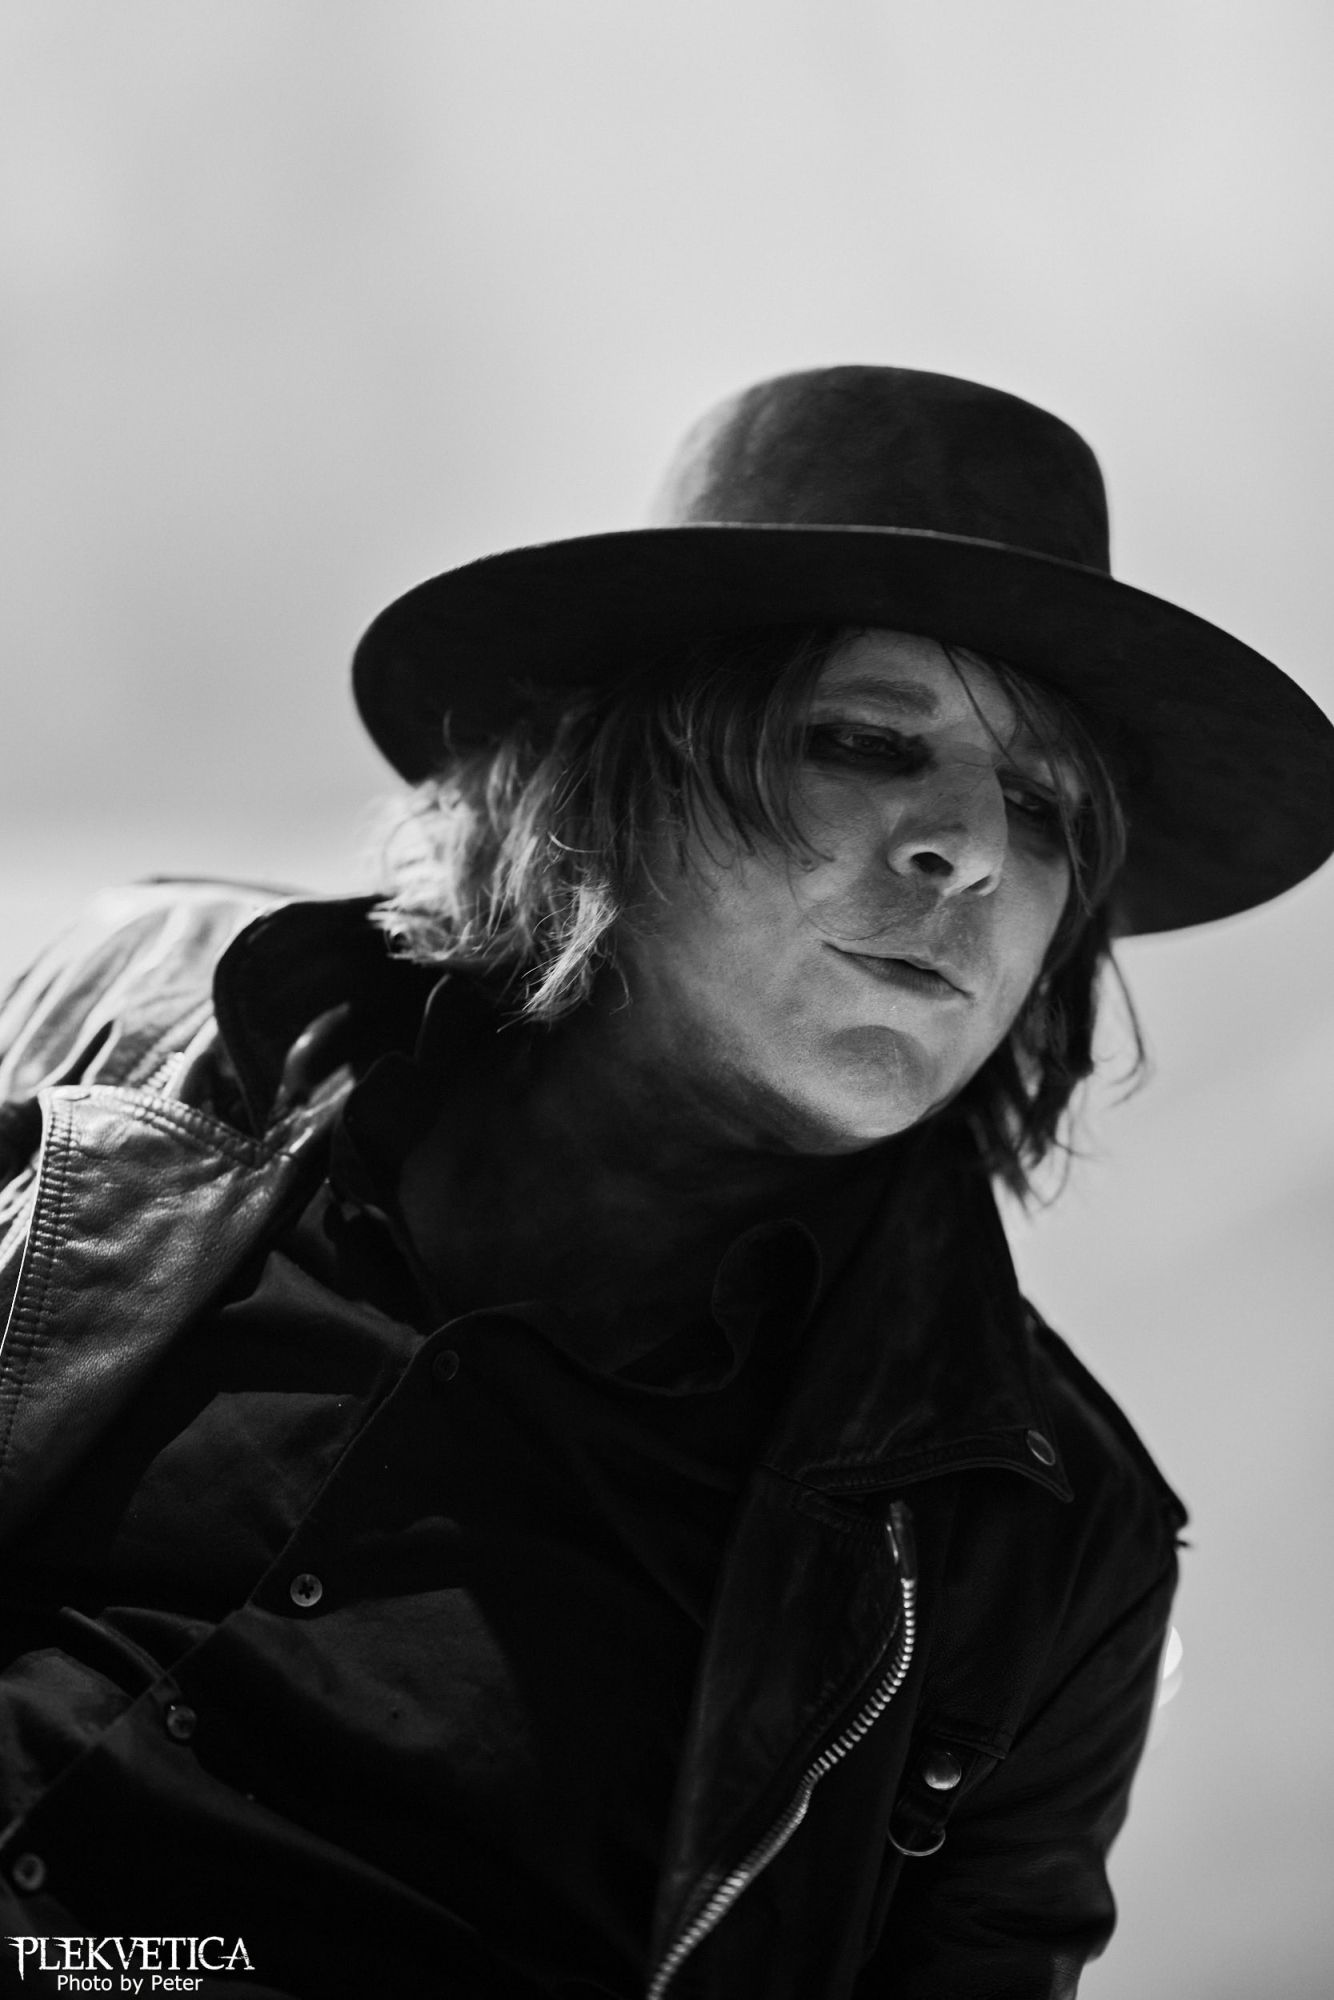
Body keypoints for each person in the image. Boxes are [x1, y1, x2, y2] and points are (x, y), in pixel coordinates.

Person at [0, 366, 1330, 2000]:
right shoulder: (146, 1012)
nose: (972, 848)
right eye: (865, 740)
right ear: (607, 772)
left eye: (1043, 807)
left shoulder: (1044, 1562)